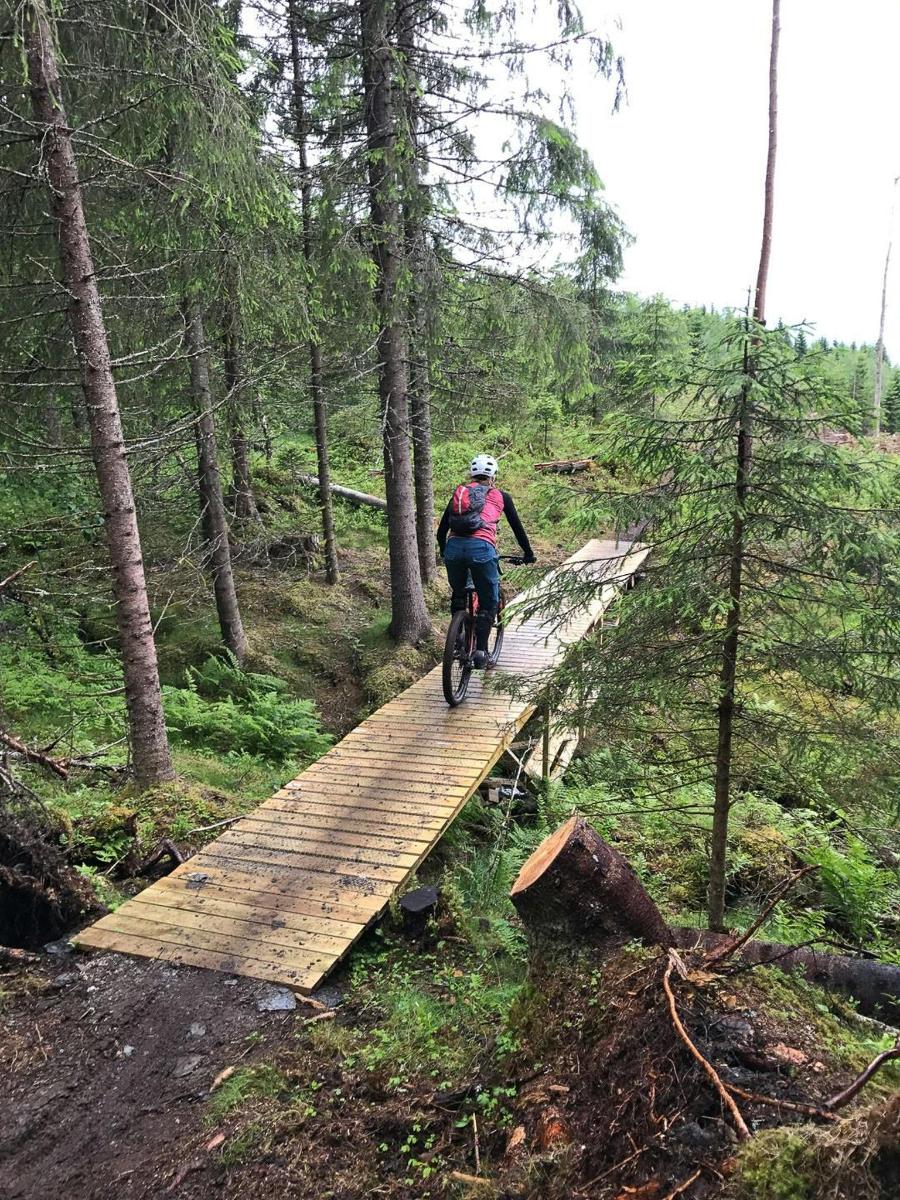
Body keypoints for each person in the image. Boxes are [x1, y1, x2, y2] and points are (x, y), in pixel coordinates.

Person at [436, 454, 535, 668]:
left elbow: (441, 531)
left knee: (459, 593)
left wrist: (446, 552)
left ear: (472, 475)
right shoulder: (501, 496)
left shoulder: (460, 494)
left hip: (454, 550)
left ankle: (458, 637)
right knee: (489, 601)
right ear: (493, 477)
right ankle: (481, 651)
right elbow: (518, 529)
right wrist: (528, 554)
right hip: (482, 550)